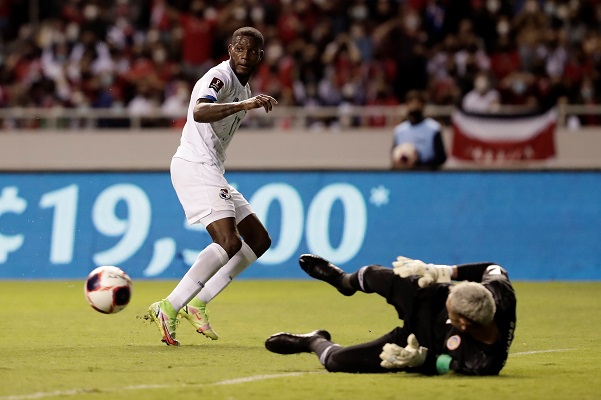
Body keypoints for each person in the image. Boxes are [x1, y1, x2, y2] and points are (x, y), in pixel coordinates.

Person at [146, 27, 278, 346]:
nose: (245, 55)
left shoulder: (243, 83)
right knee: (228, 241)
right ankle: (170, 306)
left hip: (213, 169)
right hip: (194, 166)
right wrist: (243, 105)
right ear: (230, 49)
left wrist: (244, 101)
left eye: (252, 51)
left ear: (260, 56)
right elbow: (199, 111)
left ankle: (198, 301)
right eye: (240, 49)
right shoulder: (218, 78)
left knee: (259, 240)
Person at [265, 254, 516, 376]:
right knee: (373, 274)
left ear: (462, 323)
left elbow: (446, 365)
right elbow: (492, 267)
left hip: (422, 343)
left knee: (337, 362)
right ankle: (343, 281)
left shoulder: (482, 362)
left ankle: (313, 341)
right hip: (431, 299)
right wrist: (440, 272)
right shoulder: (499, 292)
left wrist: (417, 361)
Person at [391, 90, 447, 170]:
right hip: (405, 174)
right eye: (411, 103)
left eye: (418, 104)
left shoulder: (433, 128)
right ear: (406, 106)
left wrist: (419, 164)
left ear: (423, 105)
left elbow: (441, 157)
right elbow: (393, 156)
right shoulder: (399, 130)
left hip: (427, 174)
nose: (414, 106)